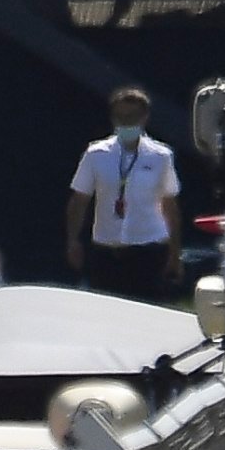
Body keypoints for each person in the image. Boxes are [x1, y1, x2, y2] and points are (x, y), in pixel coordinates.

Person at [70, 86, 187, 301]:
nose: (125, 122)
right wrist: (73, 240)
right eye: (120, 116)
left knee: (145, 315)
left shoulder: (160, 156)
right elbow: (79, 200)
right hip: (106, 251)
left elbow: (170, 205)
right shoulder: (96, 153)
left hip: (148, 251)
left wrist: (174, 253)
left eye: (131, 116)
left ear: (144, 118)